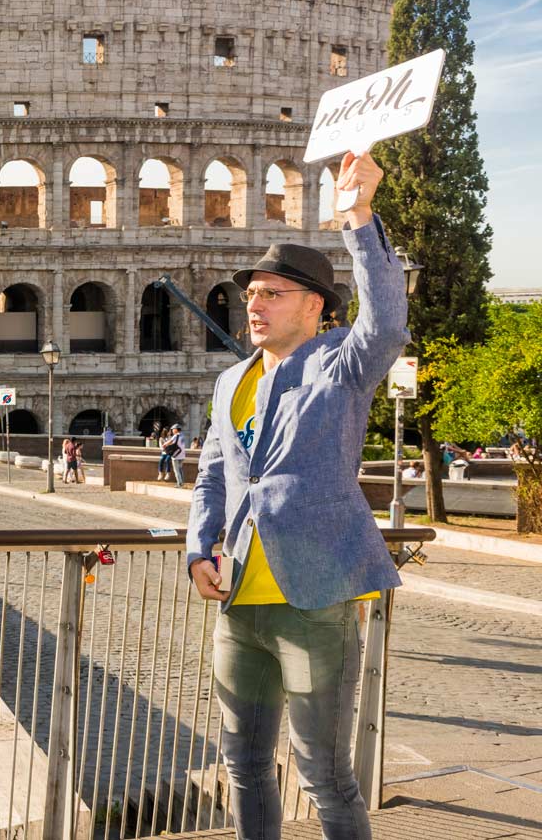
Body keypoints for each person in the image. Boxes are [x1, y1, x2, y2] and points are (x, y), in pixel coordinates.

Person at [187, 150, 407, 840]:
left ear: (315, 306)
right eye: (251, 292)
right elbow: (214, 476)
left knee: (326, 776)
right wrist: (197, 548)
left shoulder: (342, 361)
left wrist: (358, 217)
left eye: (273, 292)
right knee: (244, 763)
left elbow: (389, 324)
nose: (253, 302)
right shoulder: (230, 383)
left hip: (316, 600)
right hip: (239, 601)